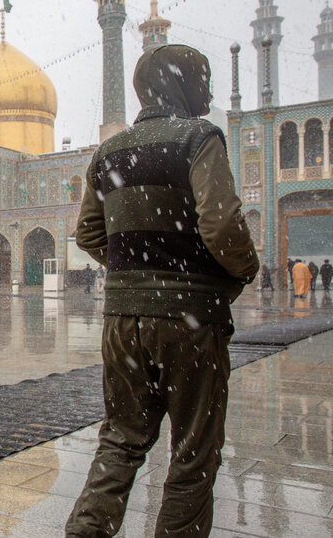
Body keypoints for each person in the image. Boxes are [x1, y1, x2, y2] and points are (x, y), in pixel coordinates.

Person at [68, 44, 259, 537]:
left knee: (121, 439)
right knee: (193, 453)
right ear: (182, 85)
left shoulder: (110, 151)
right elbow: (221, 226)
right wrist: (241, 270)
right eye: (203, 79)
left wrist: (137, 272)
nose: (210, 91)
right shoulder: (199, 137)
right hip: (189, 323)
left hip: (122, 321)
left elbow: (88, 234)